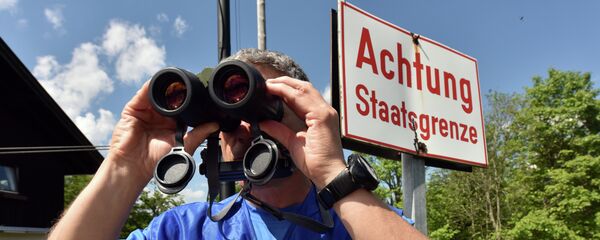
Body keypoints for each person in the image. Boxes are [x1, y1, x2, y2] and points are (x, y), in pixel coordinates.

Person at [48, 49, 427, 240]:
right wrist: (124, 166)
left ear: (304, 117)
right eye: (228, 112)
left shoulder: (358, 222)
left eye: (257, 105)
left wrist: (334, 176)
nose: (242, 126)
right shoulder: (185, 230)